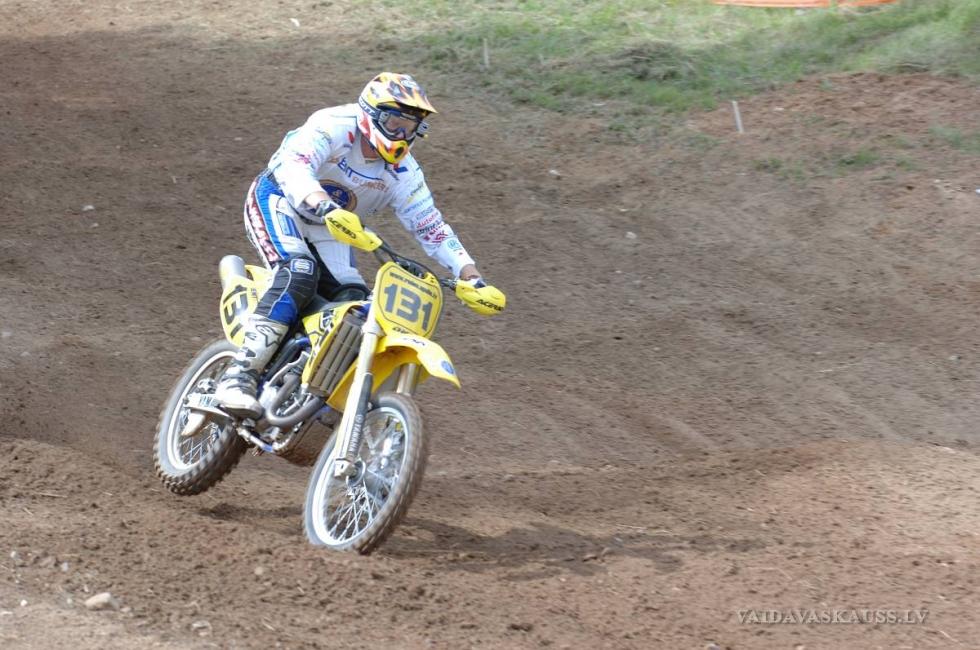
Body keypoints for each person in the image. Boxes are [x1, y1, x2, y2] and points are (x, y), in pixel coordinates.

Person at [215, 72, 491, 418]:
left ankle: (303, 377)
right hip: (280, 199)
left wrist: (469, 275)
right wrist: (321, 203)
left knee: (354, 303)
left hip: (331, 226)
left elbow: (430, 225)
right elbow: (295, 165)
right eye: (394, 123)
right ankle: (239, 375)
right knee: (299, 272)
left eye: (410, 128)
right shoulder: (333, 125)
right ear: (370, 114)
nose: (401, 136)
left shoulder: (404, 172)